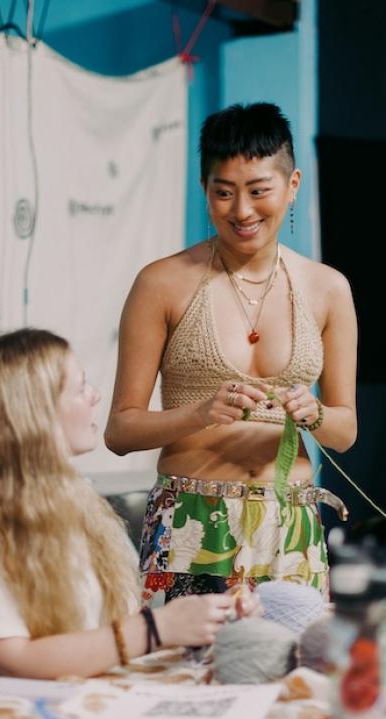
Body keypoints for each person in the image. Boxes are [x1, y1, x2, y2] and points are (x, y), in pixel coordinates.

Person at [0, 328, 255, 712]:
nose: (95, 396)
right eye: (80, 387)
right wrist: (157, 629)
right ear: (32, 411)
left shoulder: (80, 502)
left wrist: (208, 619)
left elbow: (108, 635)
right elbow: (13, 661)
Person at [105, 102, 357, 605]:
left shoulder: (328, 288)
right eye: (223, 193)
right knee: (176, 674)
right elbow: (120, 431)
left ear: (292, 185)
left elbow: (345, 431)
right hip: (188, 519)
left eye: (259, 191)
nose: (242, 211)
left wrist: (316, 415)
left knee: (288, 676)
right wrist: (199, 414)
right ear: (205, 190)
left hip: (289, 524)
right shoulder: (162, 283)